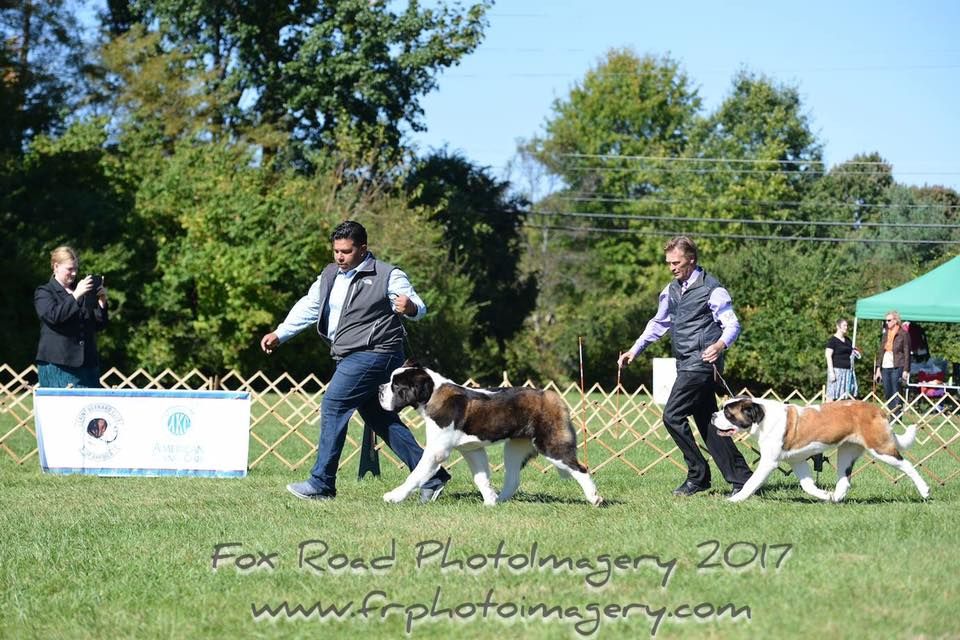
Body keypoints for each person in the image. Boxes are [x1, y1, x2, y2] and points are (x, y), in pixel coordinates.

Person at [260, 220, 450, 503]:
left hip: (378, 352)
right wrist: (280, 333)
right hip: (349, 354)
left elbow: (418, 306)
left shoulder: (387, 274)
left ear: (362, 248)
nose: (340, 257)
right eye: (336, 251)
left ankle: (322, 483)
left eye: (346, 251)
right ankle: (431, 476)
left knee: (334, 404)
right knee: (379, 417)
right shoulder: (329, 275)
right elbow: (310, 306)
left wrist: (410, 307)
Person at [617, 235, 752, 497]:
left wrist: (720, 345)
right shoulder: (671, 290)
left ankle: (698, 475)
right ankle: (742, 479)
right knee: (709, 423)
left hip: (702, 364)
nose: (671, 267)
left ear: (691, 259)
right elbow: (659, 323)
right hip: (685, 363)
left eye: (676, 262)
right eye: (668, 263)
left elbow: (732, 324)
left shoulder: (712, 289)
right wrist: (635, 349)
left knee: (672, 415)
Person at [34, 246, 108, 388]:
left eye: (76, 269)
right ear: (56, 267)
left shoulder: (83, 290)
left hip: (88, 365)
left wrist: (102, 302)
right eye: (70, 269)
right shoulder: (44, 292)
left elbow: (98, 325)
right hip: (58, 364)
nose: (74, 273)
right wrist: (76, 295)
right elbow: (54, 316)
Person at [874, 310, 911, 417]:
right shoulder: (885, 333)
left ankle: (897, 416)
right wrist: (878, 368)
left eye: (889, 320)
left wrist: (906, 370)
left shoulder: (903, 334)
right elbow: (881, 351)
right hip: (885, 365)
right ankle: (891, 414)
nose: (887, 322)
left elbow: (907, 353)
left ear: (895, 320)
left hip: (897, 365)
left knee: (896, 391)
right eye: (886, 321)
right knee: (887, 391)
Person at [825, 318, 860, 401]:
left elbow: (852, 351)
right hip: (836, 371)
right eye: (844, 325)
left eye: (847, 325)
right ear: (838, 326)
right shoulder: (832, 340)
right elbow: (828, 355)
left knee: (844, 397)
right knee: (832, 394)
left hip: (847, 371)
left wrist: (856, 352)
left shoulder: (848, 340)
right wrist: (831, 372)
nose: (846, 327)